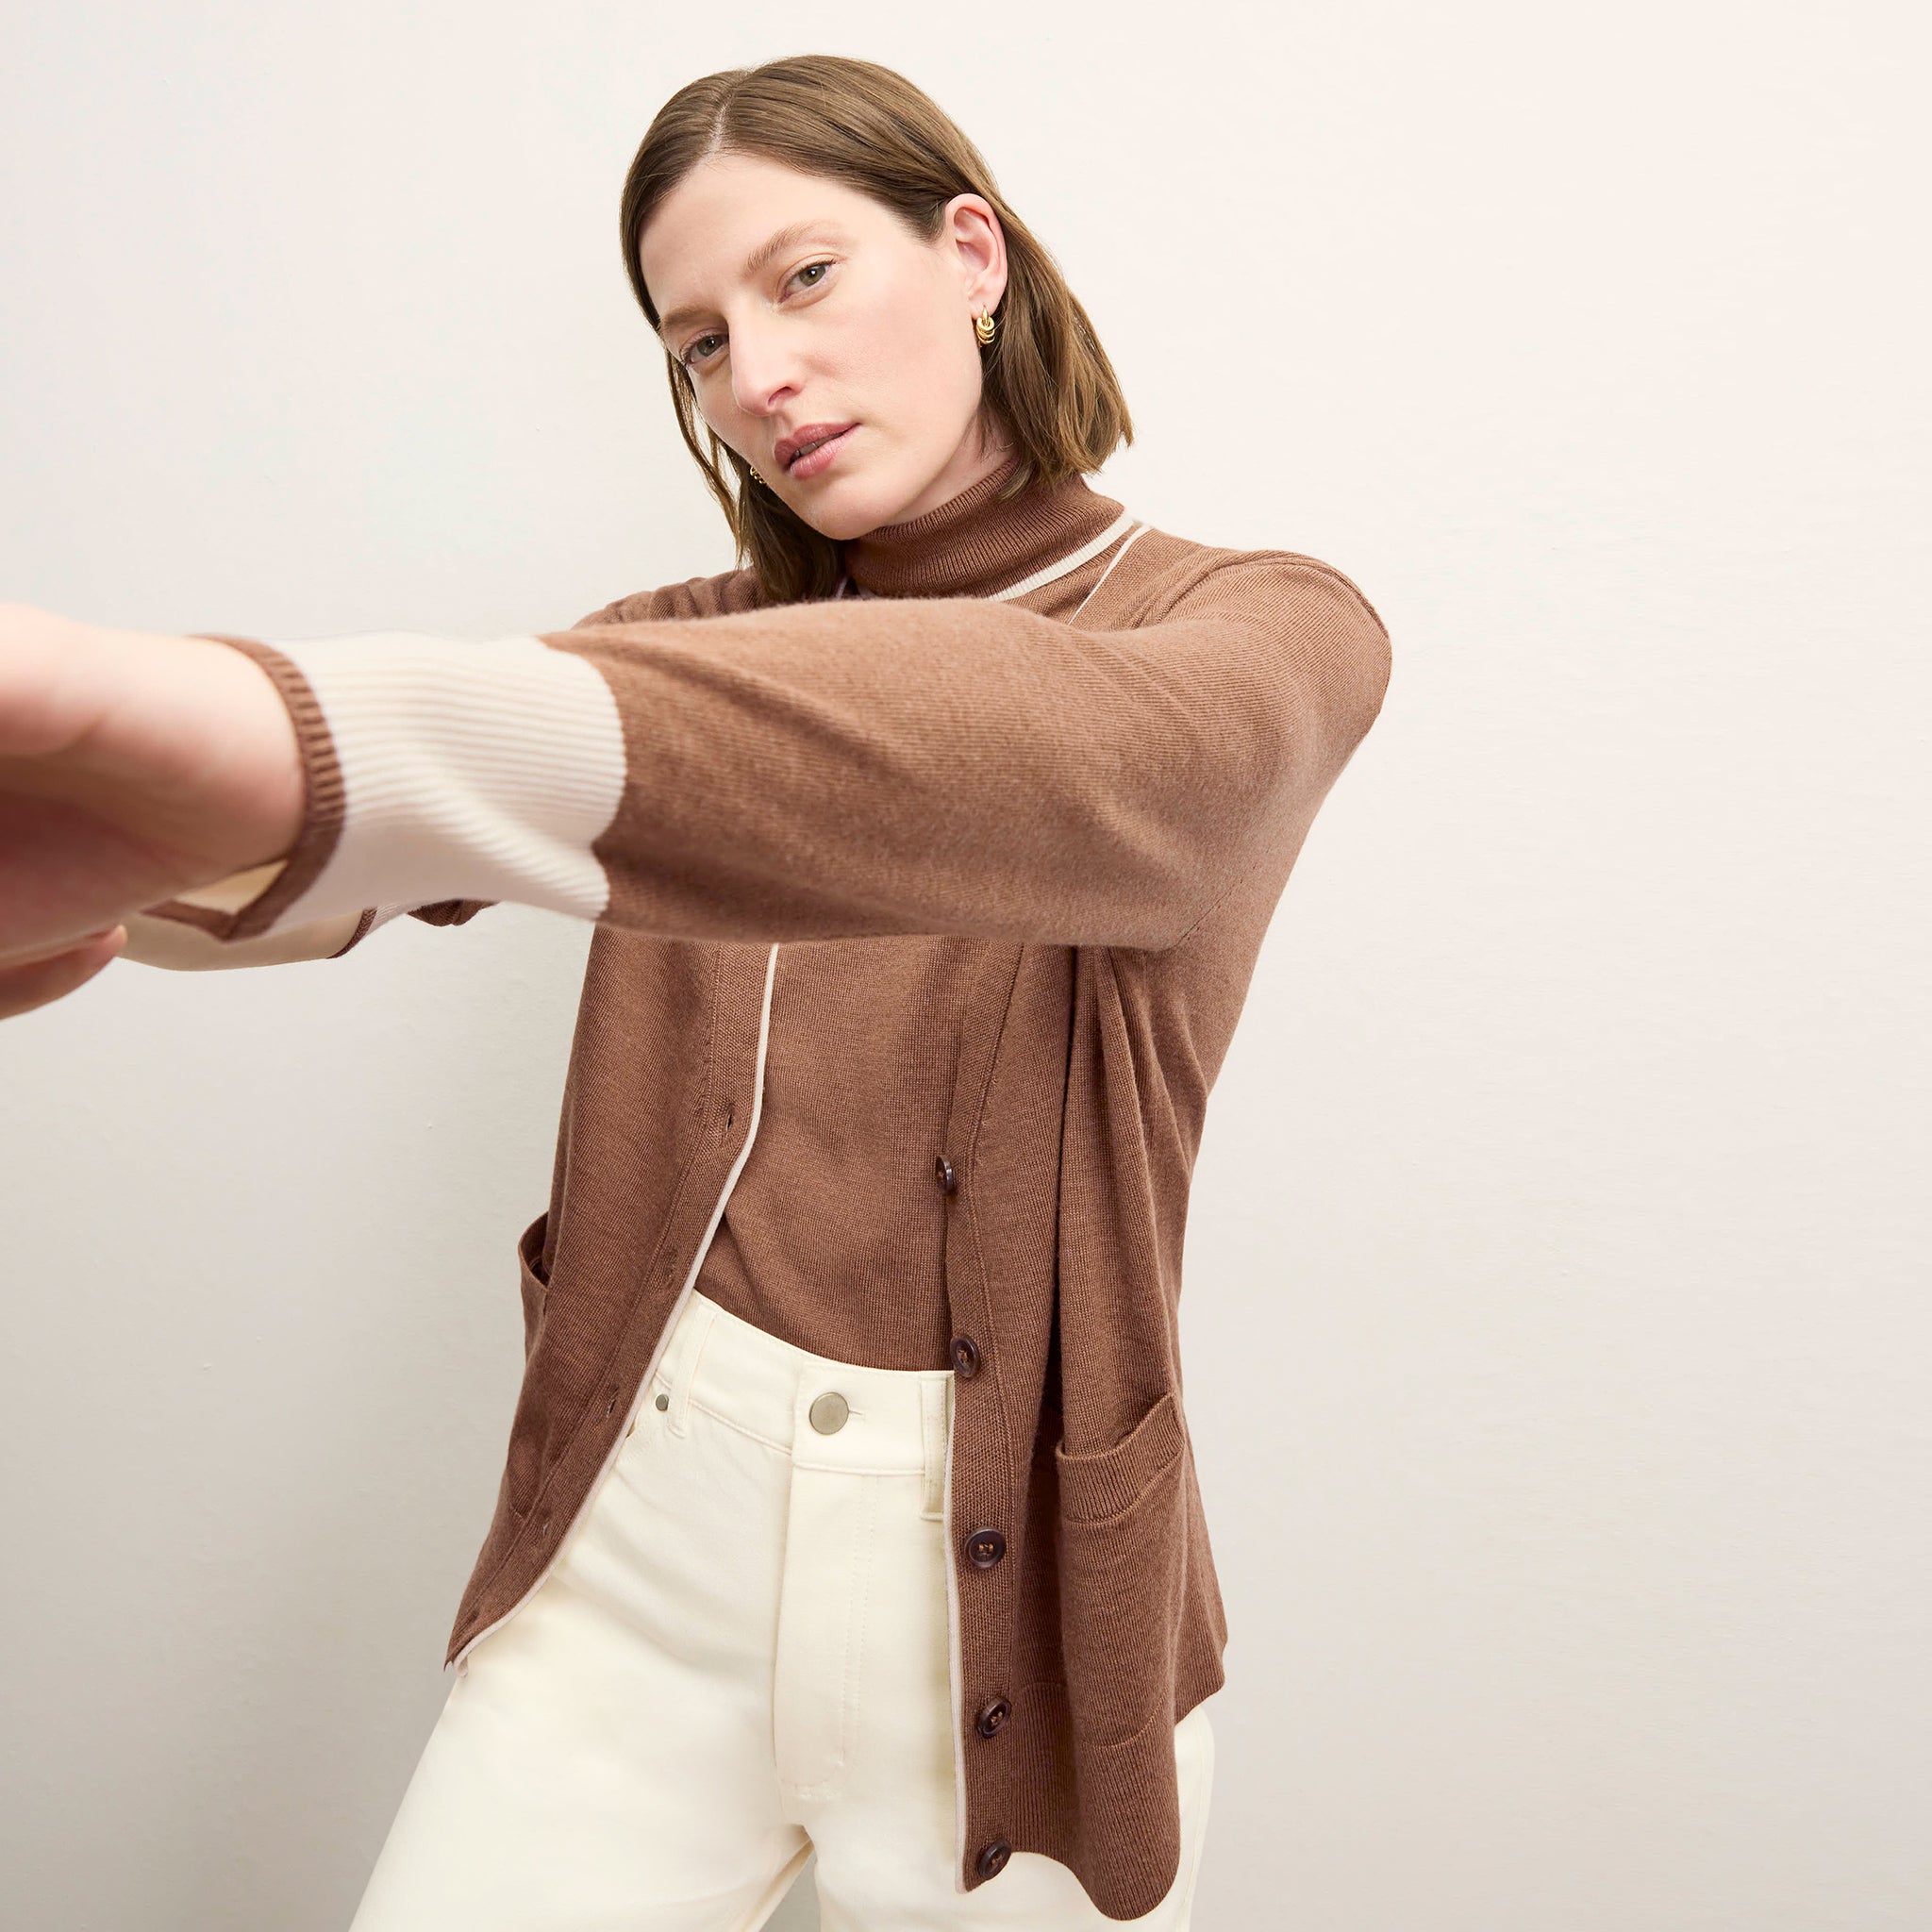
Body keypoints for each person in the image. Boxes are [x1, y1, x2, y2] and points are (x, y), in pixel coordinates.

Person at [0, 53, 1391, 1931]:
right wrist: (120, 856)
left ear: (971, 252)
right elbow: (382, 857)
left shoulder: (1256, 631)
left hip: (1014, 1617)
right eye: (701, 342)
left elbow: (1069, 761)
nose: (760, 378)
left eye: (801, 280)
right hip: (636, 1551)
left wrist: (260, 733)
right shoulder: (682, 652)